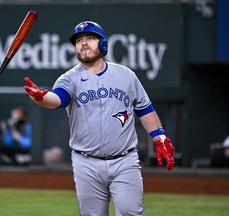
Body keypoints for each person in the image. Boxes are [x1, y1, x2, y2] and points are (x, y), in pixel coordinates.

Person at [23, 21, 175, 215]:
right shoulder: (69, 78)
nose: (84, 43)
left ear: (103, 44)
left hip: (125, 160)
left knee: (130, 212)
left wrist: (159, 137)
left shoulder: (126, 75)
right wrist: (41, 98)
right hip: (86, 162)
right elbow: (58, 98)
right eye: (79, 40)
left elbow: (145, 109)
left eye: (90, 38)